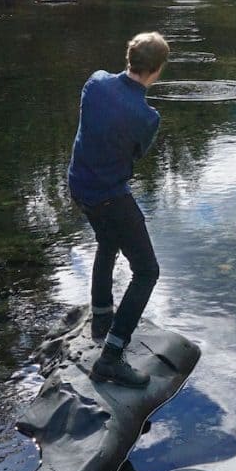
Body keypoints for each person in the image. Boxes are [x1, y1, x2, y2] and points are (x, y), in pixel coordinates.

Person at [67, 32, 169, 388]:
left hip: (78, 185)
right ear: (156, 71)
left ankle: (100, 317)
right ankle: (111, 356)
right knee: (147, 272)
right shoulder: (147, 116)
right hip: (109, 194)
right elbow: (136, 154)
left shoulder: (94, 82)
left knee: (108, 242)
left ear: (128, 58)